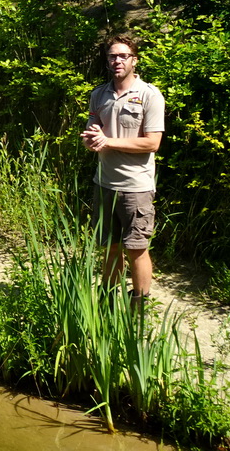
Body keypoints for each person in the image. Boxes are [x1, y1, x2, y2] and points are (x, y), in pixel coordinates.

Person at [81, 34, 165, 307]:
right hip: (104, 182)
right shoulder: (99, 94)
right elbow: (94, 131)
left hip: (135, 187)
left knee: (136, 248)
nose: (117, 61)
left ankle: (139, 305)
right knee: (109, 246)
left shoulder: (149, 95)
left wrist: (109, 141)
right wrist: (91, 139)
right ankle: (107, 300)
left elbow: (153, 142)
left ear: (134, 60)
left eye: (123, 56)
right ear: (107, 61)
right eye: (112, 56)